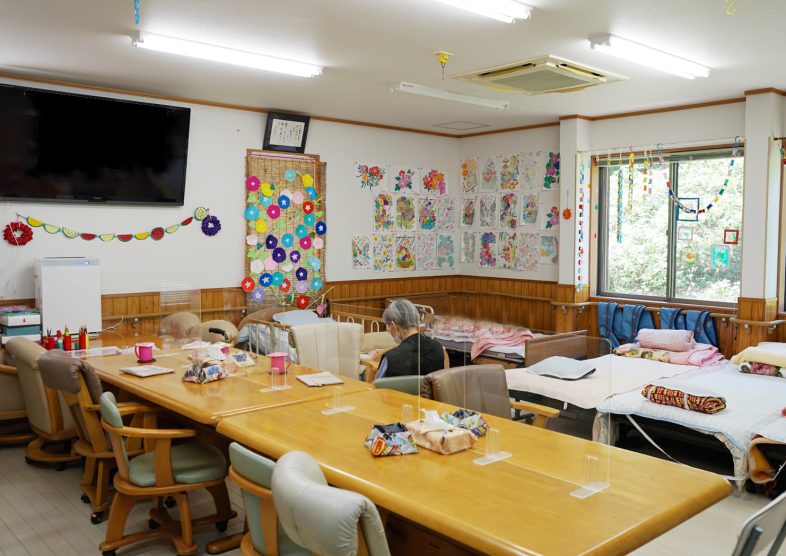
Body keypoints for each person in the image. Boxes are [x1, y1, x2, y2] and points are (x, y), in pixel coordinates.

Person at [375, 299, 445, 379]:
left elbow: (377, 384)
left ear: (393, 325)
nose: (389, 330)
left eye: (388, 326)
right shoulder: (437, 347)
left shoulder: (390, 358)